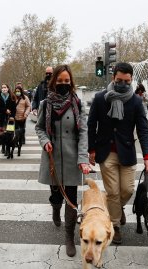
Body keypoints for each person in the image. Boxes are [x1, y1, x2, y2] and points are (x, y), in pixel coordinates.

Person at [87, 62, 148, 245]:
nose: (123, 84)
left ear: (131, 80)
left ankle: (117, 209)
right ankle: (114, 226)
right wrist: (91, 149)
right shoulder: (100, 98)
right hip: (106, 152)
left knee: (127, 190)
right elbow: (91, 125)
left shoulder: (136, 101)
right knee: (113, 192)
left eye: (126, 81)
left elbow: (143, 130)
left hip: (127, 152)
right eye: (119, 80)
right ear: (113, 78)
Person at [35, 64, 91, 257]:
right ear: (53, 82)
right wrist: (45, 141)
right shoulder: (45, 104)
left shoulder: (78, 104)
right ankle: (55, 207)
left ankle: (69, 236)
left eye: (67, 81)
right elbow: (40, 128)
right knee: (56, 195)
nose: (63, 84)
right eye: (60, 81)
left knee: (72, 199)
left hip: (72, 157)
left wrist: (83, 158)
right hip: (52, 157)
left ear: (71, 82)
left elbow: (83, 132)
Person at [0, 83, 16, 155]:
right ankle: (3, 146)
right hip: (1, 118)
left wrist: (12, 116)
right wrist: (5, 110)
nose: (4, 89)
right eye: (2, 87)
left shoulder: (12, 97)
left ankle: (8, 149)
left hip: (10, 119)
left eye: (5, 87)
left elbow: (14, 109)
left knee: (10, 134)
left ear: (8, 88)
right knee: (2, 134)